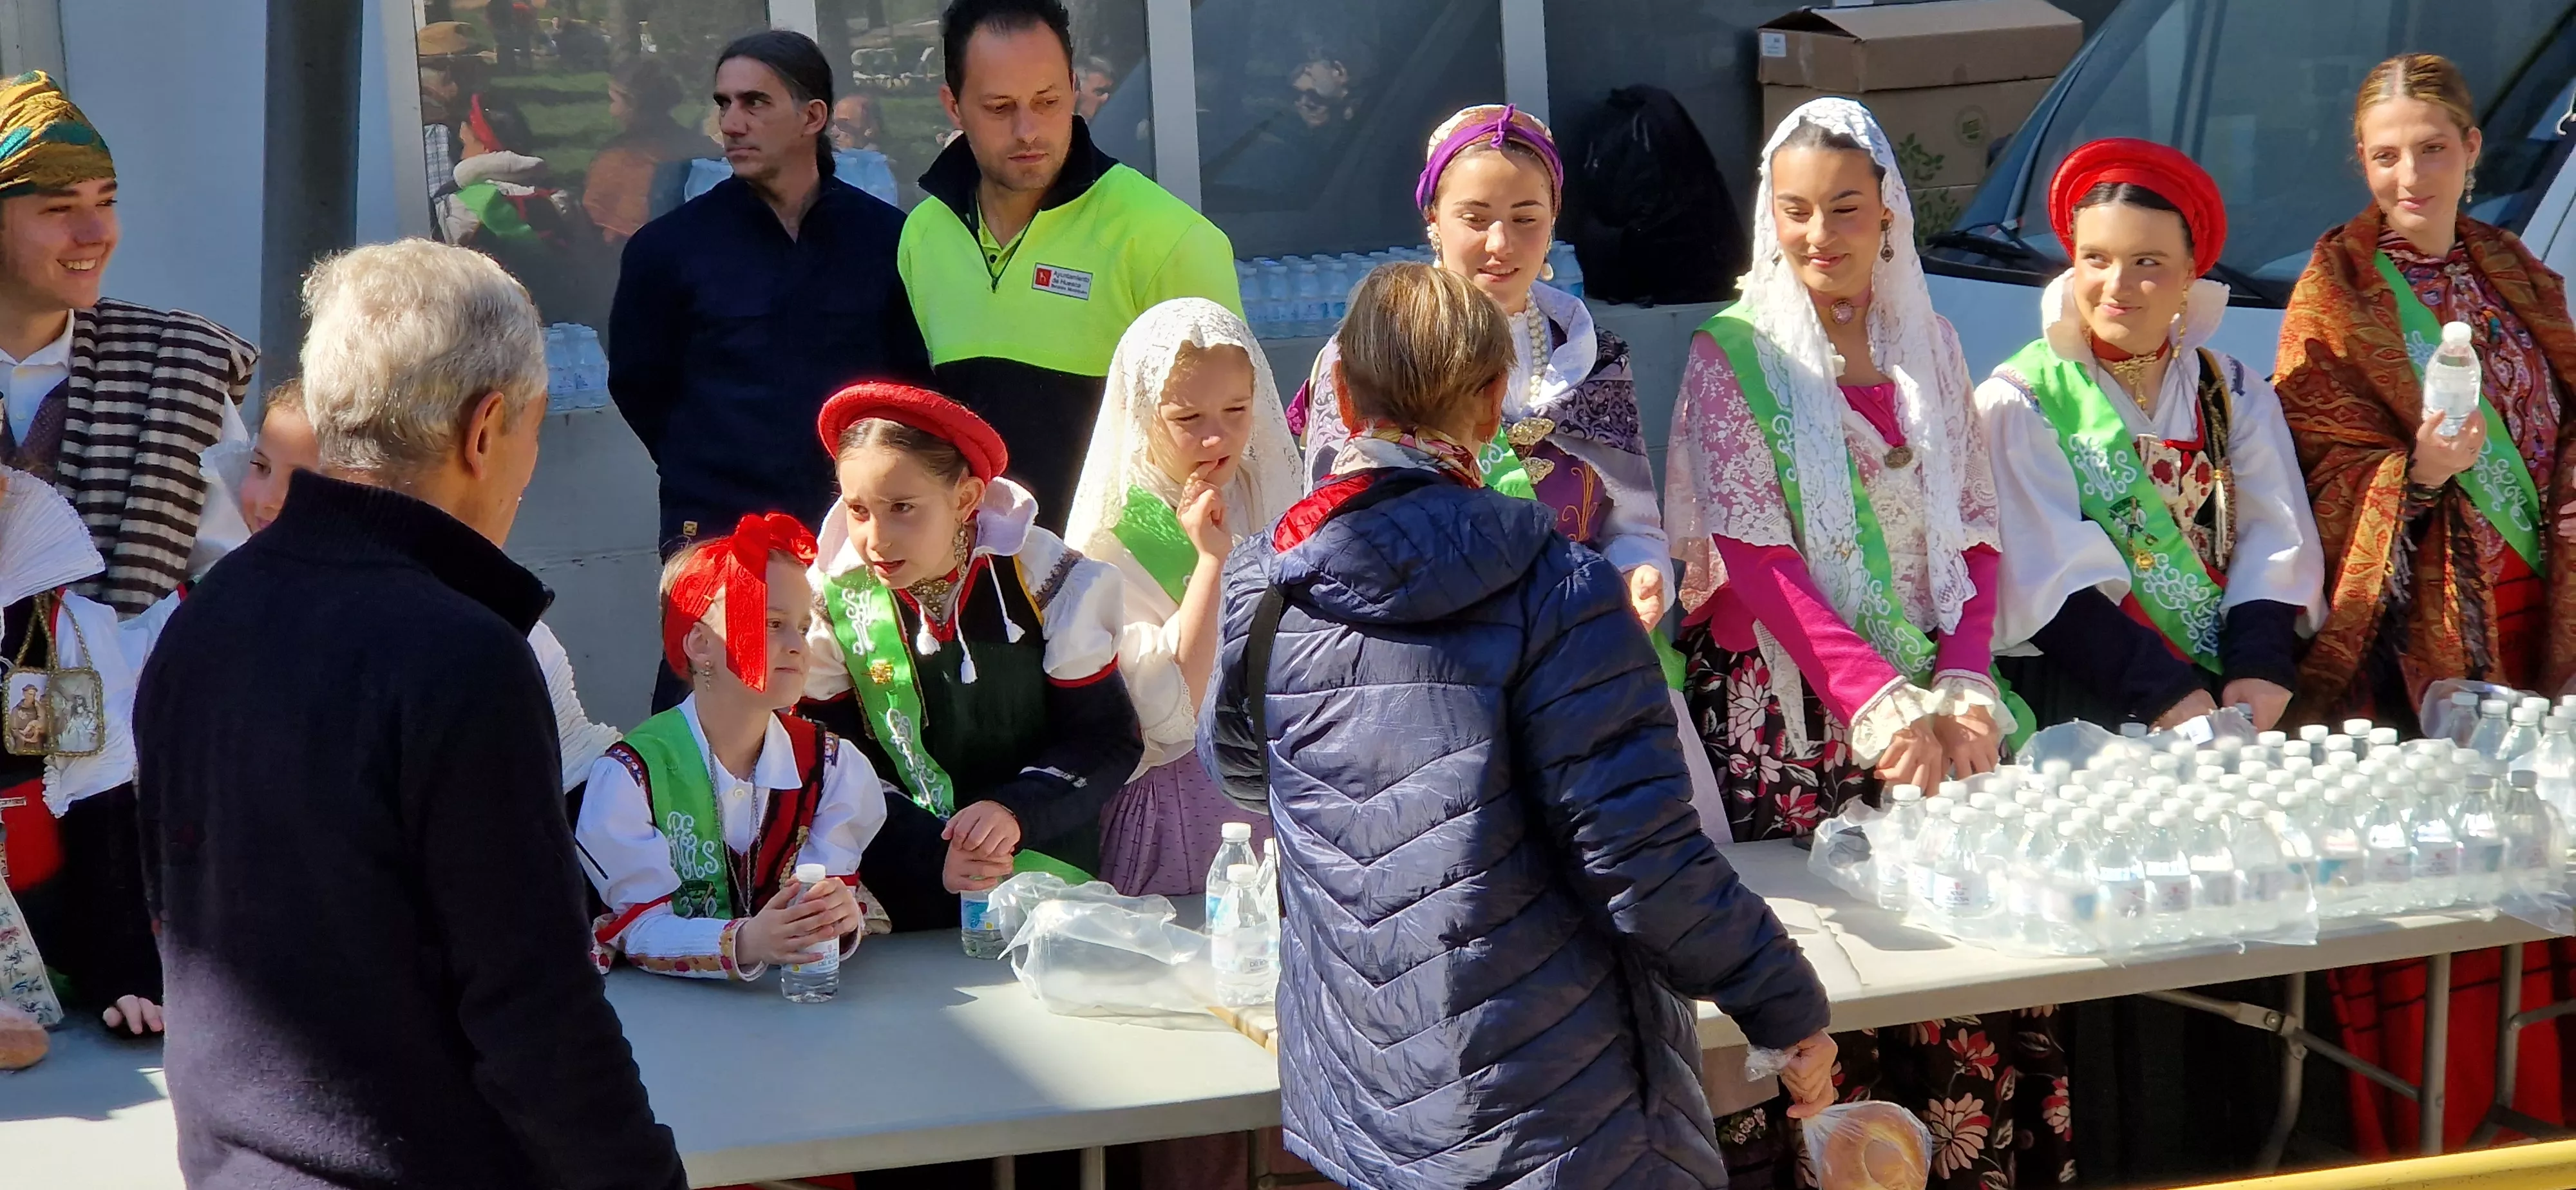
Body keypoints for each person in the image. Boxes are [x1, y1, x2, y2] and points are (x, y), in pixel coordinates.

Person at [1202, 261, 1835, 1190]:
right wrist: (1785, 1004)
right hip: (1567, 1105)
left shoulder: (1268, 583)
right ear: (1496, 399)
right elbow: (1645, 860)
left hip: (1373, 1094)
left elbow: (1252, 778)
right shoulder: (1562, 585)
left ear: (1338, 390)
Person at [135, 239, 685, 1189]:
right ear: (486, 429)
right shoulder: (461, 656)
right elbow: (536, 1019)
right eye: (535, 430)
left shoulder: (206, 619)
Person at [1662, 100, 2050, 1189]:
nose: (1818, 234)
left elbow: (1975, 526)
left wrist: (1966, 684)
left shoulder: (1931, 342)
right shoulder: (1731, 354)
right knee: (1821, 984)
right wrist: (1886, 709)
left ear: (1890, 212)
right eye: (1794, 211)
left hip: (1937, 721)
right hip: (1794, 726)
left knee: (1955, 985)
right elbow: (1759, 557)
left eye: (1843, 207)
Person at [2275, 53, 2575, 1157]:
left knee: (2552, 864)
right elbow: (2320, 465)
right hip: (2421, 642)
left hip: (2544, 614)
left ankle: (2551, 1118)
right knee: (2453, 884)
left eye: (2433, 148)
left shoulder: (2514, 267)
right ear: (2363, 160)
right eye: (2388, 153)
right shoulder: (2336, 287)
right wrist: (2425, 477)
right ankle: (2442, 1132)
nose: (2412, 172)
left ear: (2473, 152)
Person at [1295, 104, 1722, 817]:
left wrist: (1637, 573)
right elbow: (1332, 536)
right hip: (1432, 687)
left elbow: (1631, 520)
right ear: (1432, 216)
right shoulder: (1367, 355)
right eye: (1475, 216)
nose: (1500, 243)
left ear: (1556, 217)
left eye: (1526, 216)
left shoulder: (1587, 356)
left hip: (1585, 665)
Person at [1978, 138, 2324, 734]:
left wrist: (2261, 664)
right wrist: (2164, 693)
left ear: (2191, 274)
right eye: (2096, 259)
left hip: (2219, 689)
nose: (2116, 285)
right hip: (2087, 699)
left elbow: (2274, 532)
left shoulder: (2233, 391)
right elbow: (2044, 574)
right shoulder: (2019, 400)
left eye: (2148, 263)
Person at [610, 30, 929, 614]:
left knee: (866, 695)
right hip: (720, 526)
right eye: (723, 103)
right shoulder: (669, 250)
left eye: (755, 102)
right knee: (715, 697)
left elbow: (911, 383)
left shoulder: (888, 241)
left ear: (813, 116)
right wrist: (708, 460)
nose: (731, 123)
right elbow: (638, 384)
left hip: (856, 529)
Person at [801, 382, 1141, 926]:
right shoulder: (831, 601)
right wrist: (931, 851)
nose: (877, 538)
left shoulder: (1043, 578)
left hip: (1038, 871)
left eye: (903, 508)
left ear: (965, 499)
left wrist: (1013, 813)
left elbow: (1105, 738)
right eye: (859, 510)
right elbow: (826, 762)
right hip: (898, 873)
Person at [900, 0, 1242, 528]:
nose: (1028, 130)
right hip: (974, 588)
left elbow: (1232, 455)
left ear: (1074, 89)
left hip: (1123, 590)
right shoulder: (922, 236)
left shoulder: (1170, 239)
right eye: (999, 107)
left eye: (1048, 101)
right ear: (953, 105)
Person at [227, 380, 620, 795]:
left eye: (303, 481)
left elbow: (573, 790)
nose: (269, 500)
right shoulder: (204, 613)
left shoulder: (505, 639)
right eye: (260, 466)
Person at [578, 515, 890, 979]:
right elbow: (640, 926)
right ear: (702, 644)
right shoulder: (632, 775)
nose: (797, 645)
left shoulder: (832, 766)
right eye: (773, 623)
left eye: (803, 628)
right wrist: (748, 941)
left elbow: (824, 900)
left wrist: (833, 918)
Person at [0, 72, 254, 616]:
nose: (96, 233)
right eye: (59, 208)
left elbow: (237, 586)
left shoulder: (178, 370)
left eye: (106, 202)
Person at [1064, 298, 1294, 896]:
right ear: (1142, 414)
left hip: (1282, 789)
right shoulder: (1113, 533)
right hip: (1180, 808)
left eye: (1237, 410)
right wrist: (1212, 563)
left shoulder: (1271, 490)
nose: (1216, 436)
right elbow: (1175, 715)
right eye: (1187, 418)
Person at [585, 60, 710, 245]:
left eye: (613, 101)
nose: (611, 111)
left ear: (633, 104)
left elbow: (599, 224)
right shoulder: (700, 145)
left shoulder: (617, 159)